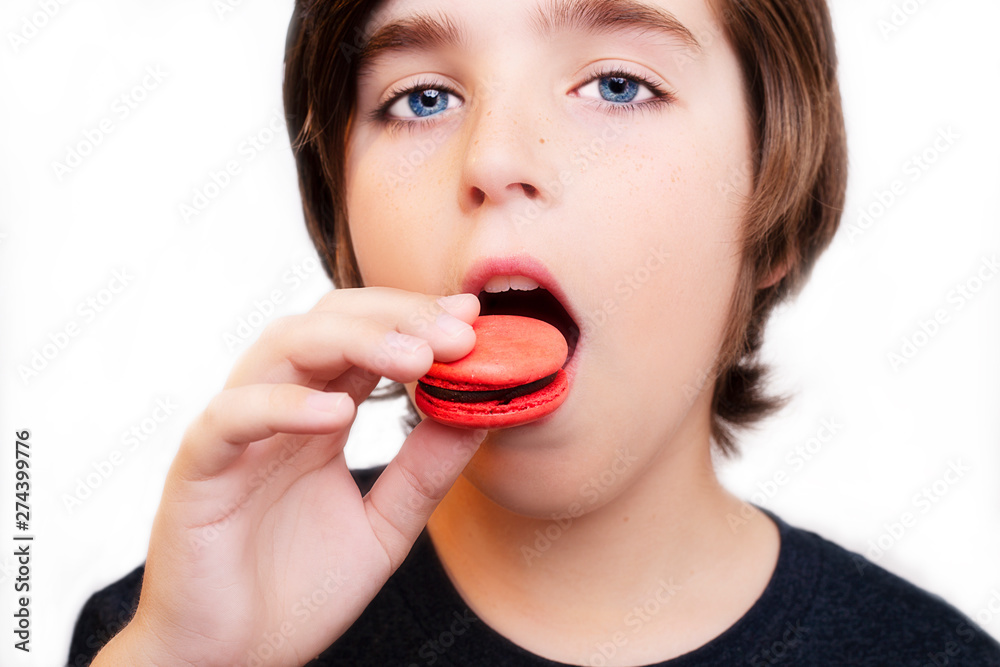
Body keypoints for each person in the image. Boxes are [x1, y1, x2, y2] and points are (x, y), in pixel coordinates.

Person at [70, 0, 1000, 665]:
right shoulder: (175, 627)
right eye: (422, 97)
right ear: (341, 217)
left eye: (618, 84)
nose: (495, 157)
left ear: (773, 210)